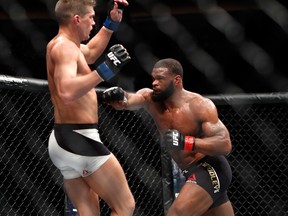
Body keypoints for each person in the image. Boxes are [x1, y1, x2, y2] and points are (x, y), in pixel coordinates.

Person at [103, 58, 234, 216]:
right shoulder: (150, 98)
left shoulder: (199, 105)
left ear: (176, 80)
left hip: (210, 168)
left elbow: (225, 144)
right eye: (153, 78)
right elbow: (130, 100)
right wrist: (119, 97)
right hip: (191, 171)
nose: (154, 83)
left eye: (160, 79)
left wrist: (185, 142)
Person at [46, 0, 135, 215]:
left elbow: (92, 52)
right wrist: (103, 72)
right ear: (77, 19)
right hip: (79, 138)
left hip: (65, 139)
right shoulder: (64, 48)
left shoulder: (67, 46)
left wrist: (110, 24)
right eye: (91, 17)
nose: (93, 23)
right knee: (125, 206)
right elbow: (66, 92)